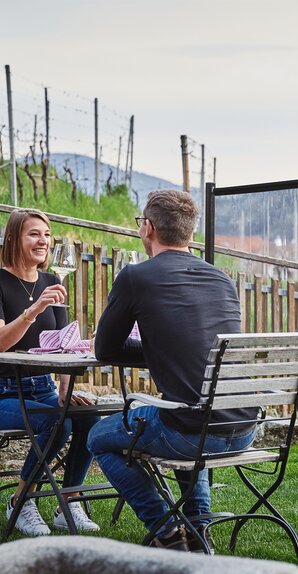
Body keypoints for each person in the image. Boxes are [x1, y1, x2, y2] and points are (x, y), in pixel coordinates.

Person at [87, 191, 258, 552]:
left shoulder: (136, 277)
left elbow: (105, 349)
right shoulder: (221, 279)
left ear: (148, 228)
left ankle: (166, 531)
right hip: (243, 428)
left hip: (190, 432)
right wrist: (162, 353)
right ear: (189, 234)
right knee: (187, 412)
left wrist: (150, 350)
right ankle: (199, 528)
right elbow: (197, 350)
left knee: (99, 437)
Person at [0, 208, 100, 536]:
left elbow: (64, 345)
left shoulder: (52, 281)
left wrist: (65, 391)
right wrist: (35, 309)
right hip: (4, 392)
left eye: (46, 234)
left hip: (43, 388)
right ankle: (21, 500)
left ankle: (67, 500)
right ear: (13, 238)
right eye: (33, 234)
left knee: (87, 418)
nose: (42, 240)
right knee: (57, 422)